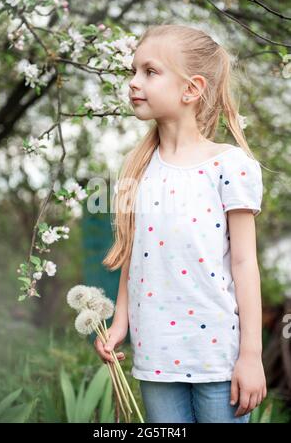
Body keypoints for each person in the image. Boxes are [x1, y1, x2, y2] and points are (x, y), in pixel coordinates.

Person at [95, 24, 267, 423]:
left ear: (191, 89)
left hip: (219, 361)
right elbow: (133, 257)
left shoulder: (230, 166)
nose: (134, 82)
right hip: (156, 356)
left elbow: (245, 266)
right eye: (133, 71)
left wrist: (251, 356)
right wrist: (119, 324)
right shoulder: (136, 170)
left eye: (150, 72)